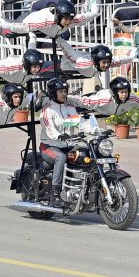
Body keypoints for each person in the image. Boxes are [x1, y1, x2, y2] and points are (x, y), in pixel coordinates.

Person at [38, 77, 99, 206]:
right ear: (53, 93)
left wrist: (97, 131)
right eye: (61, 91)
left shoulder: (69, 108)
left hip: (68, 145)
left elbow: (80, 124)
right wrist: (59, 136)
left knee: (86, 153)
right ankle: (55, 193)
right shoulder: (48, 110)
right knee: (61, 158)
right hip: (49, 146)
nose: (64, 94)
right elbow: (49, 128)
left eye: (65, 91)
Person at [0, 0, 100, 48]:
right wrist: (4, 24)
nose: (68, 22)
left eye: (70, 19)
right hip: (28, 21)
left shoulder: (72, 21)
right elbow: (21, 27)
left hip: (45, 31)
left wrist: (95, 10)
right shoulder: (46, 22)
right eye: (66, 19)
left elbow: (85, 17)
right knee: (10, 33)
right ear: (58, 16)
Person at [68, 77, 139, 116]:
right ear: (115, 93)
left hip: (105, 112)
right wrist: (67, 98)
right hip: (86, 105)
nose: (124, 95)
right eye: (122, 92)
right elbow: (83, 101)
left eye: (126, 92)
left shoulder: (131, 98)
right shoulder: (104, 99)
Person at [55, 40, 136, 78]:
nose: (107, 65)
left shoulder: (105, 62)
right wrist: (59, 40)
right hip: (63, 65)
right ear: (97, 61)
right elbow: (70, 54)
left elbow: (120, 59)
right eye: (104, 62)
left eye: (108, 62)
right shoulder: (84, 63)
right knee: (44, 67)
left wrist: (132, 56)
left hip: (81, 62)